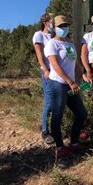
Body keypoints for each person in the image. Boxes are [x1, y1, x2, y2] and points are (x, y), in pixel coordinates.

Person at [44, 15, 87, 158]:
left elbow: (74, 63)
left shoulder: (69, 44)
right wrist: (70, 81)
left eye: (65, 26)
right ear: (54, 28)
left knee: (81, 113)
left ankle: (74, 142)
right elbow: (55, 66)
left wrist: (82, 74)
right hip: (58, 84)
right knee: (57, 116)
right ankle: (60, 147)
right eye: (60, 26)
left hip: (70, 85)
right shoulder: (52, 44)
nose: (63, 28)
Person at [33, 13, 55, 144]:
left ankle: (55, 128)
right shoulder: (39, 35)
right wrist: (45, 69)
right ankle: (45, 130)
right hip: (48, 72)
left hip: (59, 73)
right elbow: (40, 55)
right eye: (52, 21)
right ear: (45, 22)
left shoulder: (54, 36)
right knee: (49, 101)